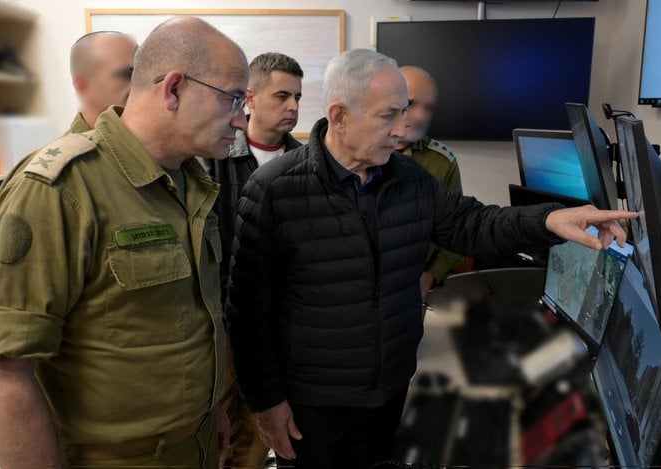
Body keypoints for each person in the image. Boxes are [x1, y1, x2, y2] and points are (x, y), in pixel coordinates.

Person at [226, 48, 636, 469]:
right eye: (388, 115)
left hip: (389, 392)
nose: (402, 128)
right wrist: (266, 402)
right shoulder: (273, 190)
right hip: (312, 405)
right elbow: (247, 311)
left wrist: (550, 219)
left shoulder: (411, 179)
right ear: (340, 115)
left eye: (403, 111)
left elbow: (474, 224)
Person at [0, 17, 248, 468]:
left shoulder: (191, 181)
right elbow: (8, 372)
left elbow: (182, 318)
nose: (241, 119)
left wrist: (206, 408)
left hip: (195, 445)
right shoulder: (61, 187)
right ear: (173, 89)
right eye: (232, 98)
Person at [207, 51, 304, 469]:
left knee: (259, 433)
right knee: (217, 433)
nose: (293, 106)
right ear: (250, 97)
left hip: (281, 323)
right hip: (225, 324)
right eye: (282, 96)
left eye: (298, 97)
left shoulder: (306, 162)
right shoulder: (214, 157)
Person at [396, 65, 470, 300]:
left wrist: (430, 276)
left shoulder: (442, 161)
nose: (421, 116)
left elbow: (457, 231)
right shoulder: (359, 154)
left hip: (414, 288)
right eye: (410, 103)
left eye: (428, 108)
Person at [69, 31, 137, 132]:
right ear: (82, 86)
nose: (142, 84)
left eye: (143, 73)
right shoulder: (72, 143)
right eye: (127, 75)